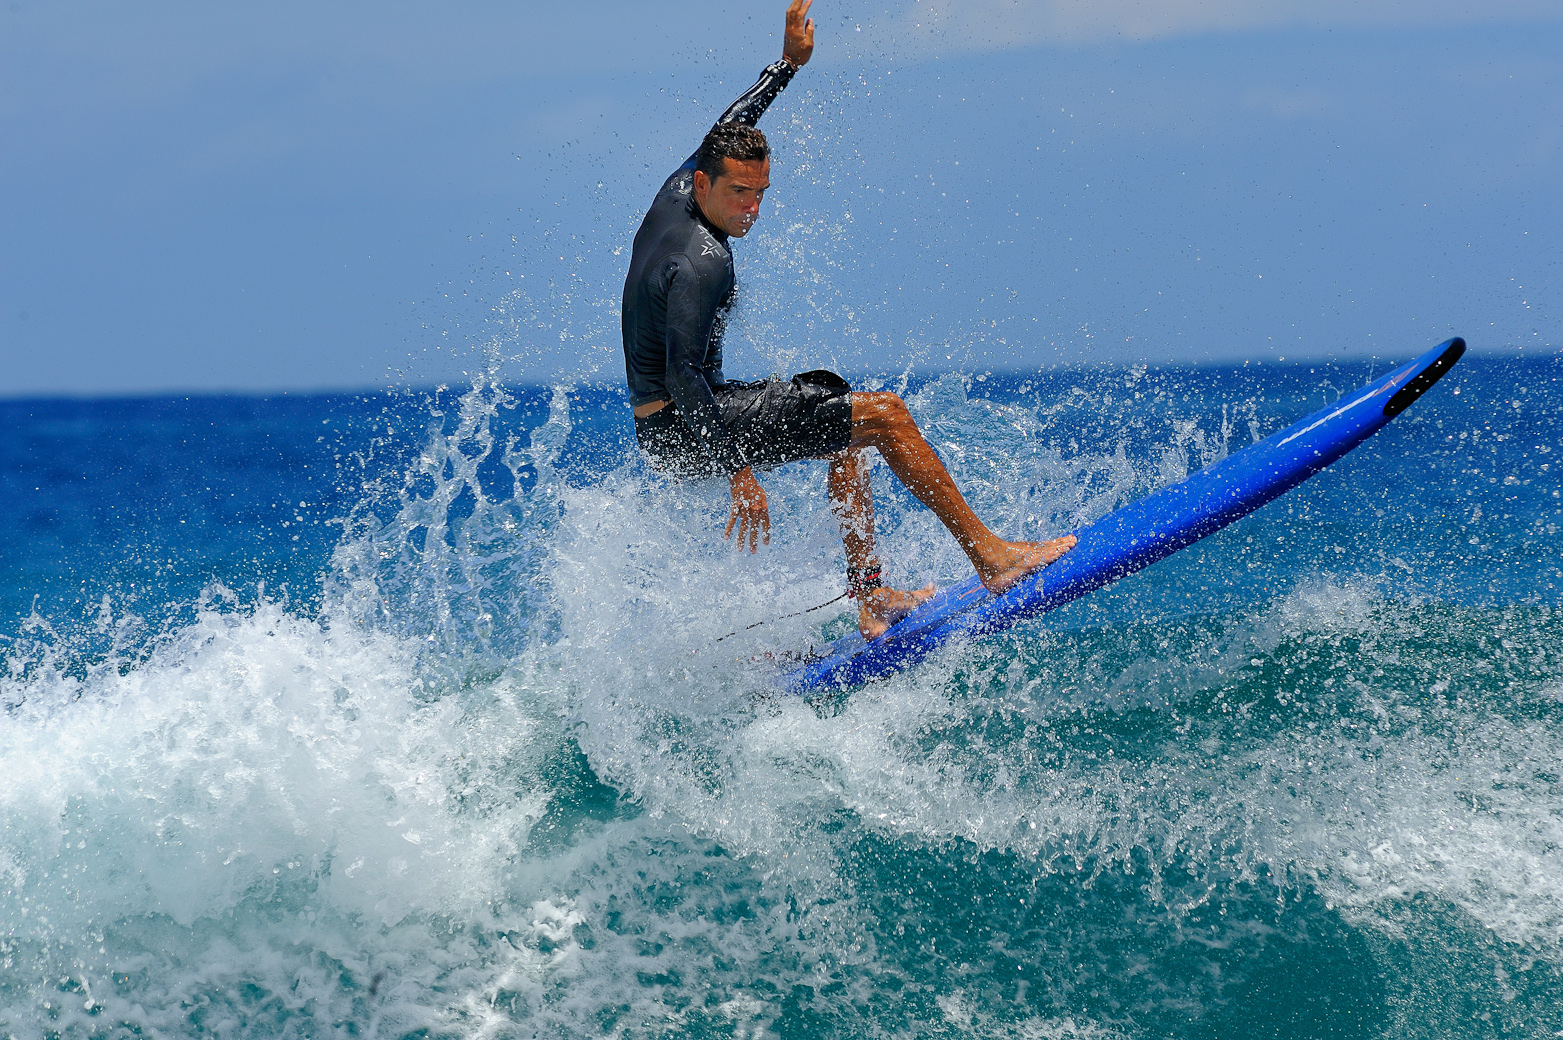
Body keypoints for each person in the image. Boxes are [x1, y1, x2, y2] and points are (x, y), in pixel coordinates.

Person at [622, 0, 1075, 640]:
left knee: (836, 400)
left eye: (760, 194)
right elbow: (683, 372)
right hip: (686, 427)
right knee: (885, 414)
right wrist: (739, 473)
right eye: (738, 195)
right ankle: (992, 558)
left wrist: (786, 65)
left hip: (674, 424)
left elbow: (733, 122)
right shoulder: (702, 263)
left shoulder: (679, 189)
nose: (751, 209)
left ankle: (869, 597)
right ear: (703, 184)